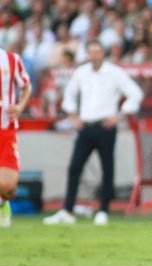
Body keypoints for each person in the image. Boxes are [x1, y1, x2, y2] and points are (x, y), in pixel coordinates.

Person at [43, 40, 143, 226]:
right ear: (87, 55)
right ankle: (67, 210)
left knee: (107, 169)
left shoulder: (114, 72)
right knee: (74, 167)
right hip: (86, 126)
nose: (94, 56)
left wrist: (120, 115)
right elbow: (69, 95)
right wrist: (72, 116)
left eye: (97, 52)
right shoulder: (81, 73)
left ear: (102, 54)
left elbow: (135, 93)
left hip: (106, 126)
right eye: (91, 52)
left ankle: (104, 210)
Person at [0, 48, 32, 228]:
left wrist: (20, 107)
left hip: (5, 130)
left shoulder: (11, 59)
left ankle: (3, 203)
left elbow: (27, 86)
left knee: (8, 187)